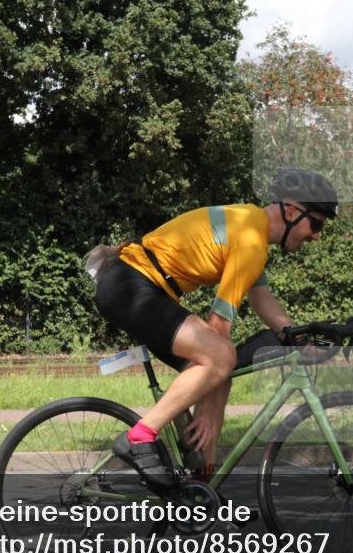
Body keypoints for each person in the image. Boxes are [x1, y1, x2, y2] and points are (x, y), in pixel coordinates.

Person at [94, 168, 338, 489]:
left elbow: (262, 298)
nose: (317, 235)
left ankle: (201, 487)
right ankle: (139, 436)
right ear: (291, 211)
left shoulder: (251, 224)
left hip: (136, 287)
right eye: (316, 224)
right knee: (222, 357)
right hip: (133, 287)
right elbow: (218, 326)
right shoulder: (251, 242)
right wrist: (205, 410)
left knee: (223, 375)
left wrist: (300, 335)